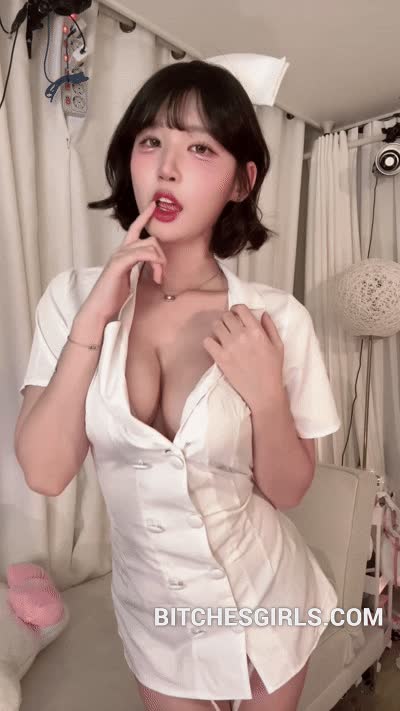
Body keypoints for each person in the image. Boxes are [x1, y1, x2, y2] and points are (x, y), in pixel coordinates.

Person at [16, 60, 341, 710]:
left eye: (199, 148)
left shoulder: (276, 319)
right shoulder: (72, 298)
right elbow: (46, 474)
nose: (167, 167)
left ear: (242, 181)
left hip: (267, 599)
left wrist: (266, 396)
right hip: (155, 614)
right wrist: (91, 325)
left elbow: (288, 491)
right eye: (151, 141)